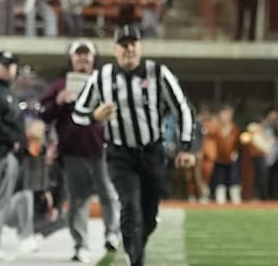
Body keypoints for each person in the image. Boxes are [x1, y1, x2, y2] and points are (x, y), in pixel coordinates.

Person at [71, 25, 197, 266]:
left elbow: (182, 107)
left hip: (152, 152)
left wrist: (186, 145)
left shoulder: (158, 73)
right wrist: (94, 116)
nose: (128, 49)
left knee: (148, 216)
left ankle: (137, 242)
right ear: (114, 49)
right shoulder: (101, 76)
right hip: (120, 154)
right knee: (130, 208)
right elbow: (78, 112)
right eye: (123, 44)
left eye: (133, 44)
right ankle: (135, 260)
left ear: (141, 47)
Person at [38, 40, 121, 263]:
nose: (83, 59)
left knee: (109, 195)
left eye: (87, 55)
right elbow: (43, 113)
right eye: (79, 55)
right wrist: (57, 101)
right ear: (71, 59)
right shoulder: (60, 84)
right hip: (72, 152)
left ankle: (112, 232)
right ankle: (80, 244)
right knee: (78, 200)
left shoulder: (106, 82)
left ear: (94, 58)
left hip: (103, 149)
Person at [0, 51, 24, 262]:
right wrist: (12, 138)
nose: (8, 68)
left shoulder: (8, 92)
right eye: (4, 64)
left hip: (5, 154)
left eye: (11, 65)